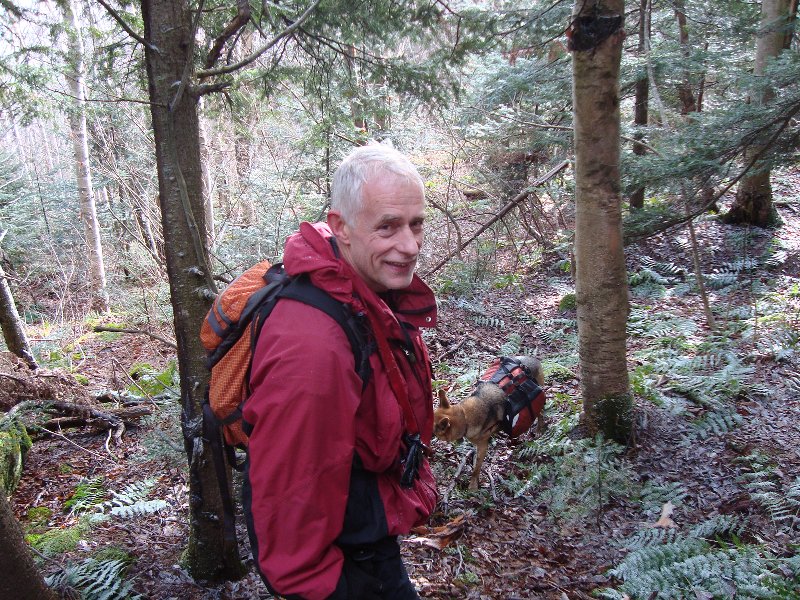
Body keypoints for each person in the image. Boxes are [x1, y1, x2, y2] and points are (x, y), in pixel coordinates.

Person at [242, 143, 438, 600]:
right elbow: (288, 496)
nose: (409, 246)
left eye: (416, 224)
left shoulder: (363, 292)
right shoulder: (313, 343)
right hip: (343, 569)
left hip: (368, 533)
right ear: (340, 228)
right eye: (387, 226)